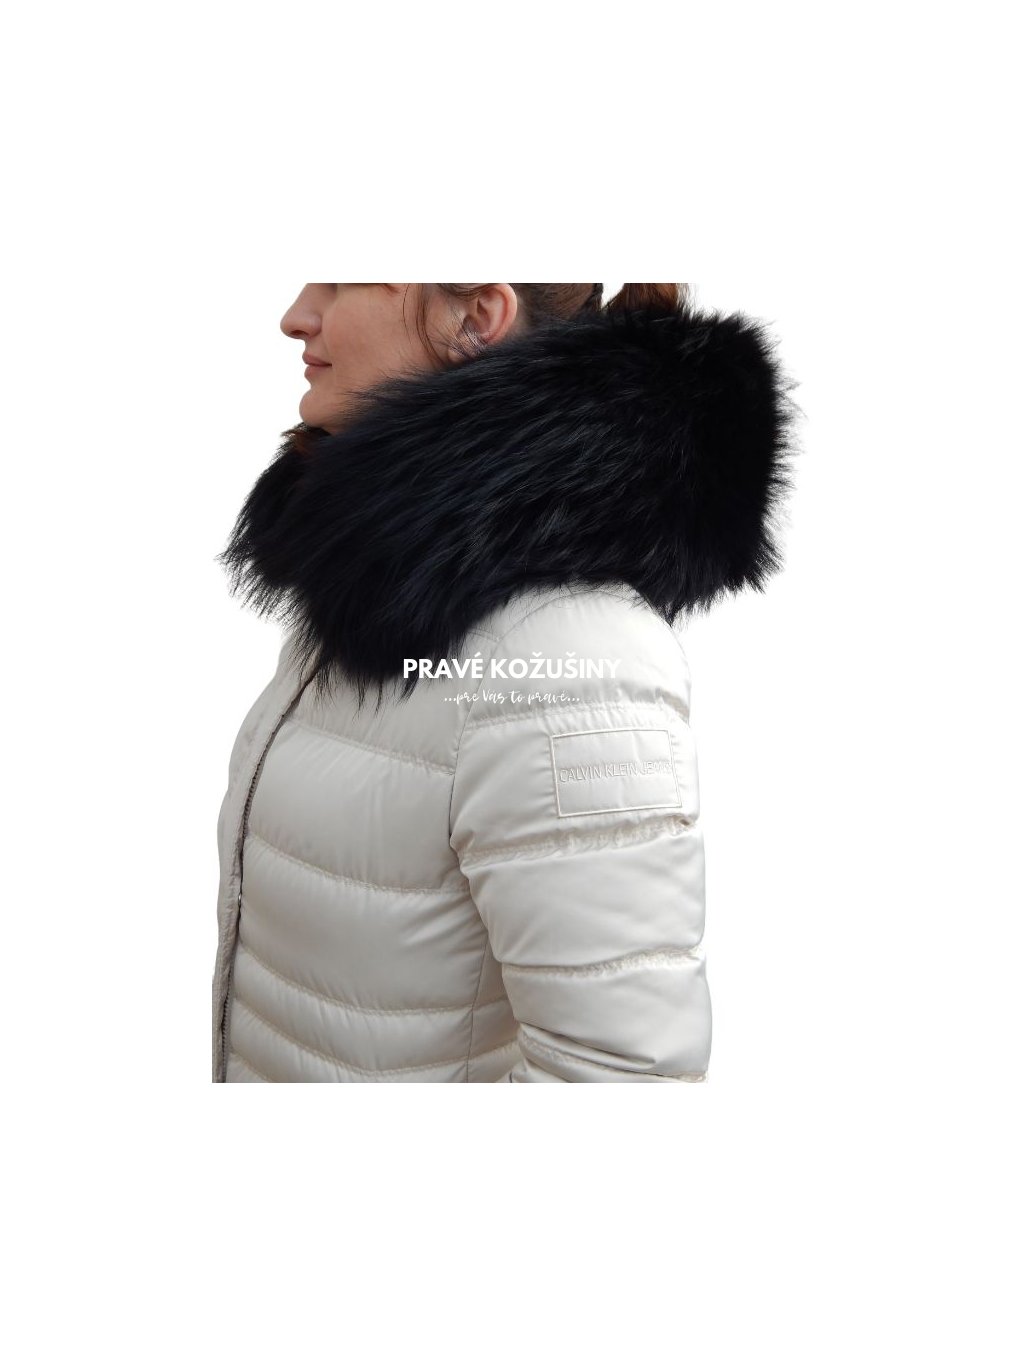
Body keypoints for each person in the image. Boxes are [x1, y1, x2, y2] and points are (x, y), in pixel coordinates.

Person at [211, 282, 797, 1083]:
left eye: (343, 280)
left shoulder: (568, 651)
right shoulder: (388, 586)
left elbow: (618, 1076)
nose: (297, 315)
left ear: (476, 317)